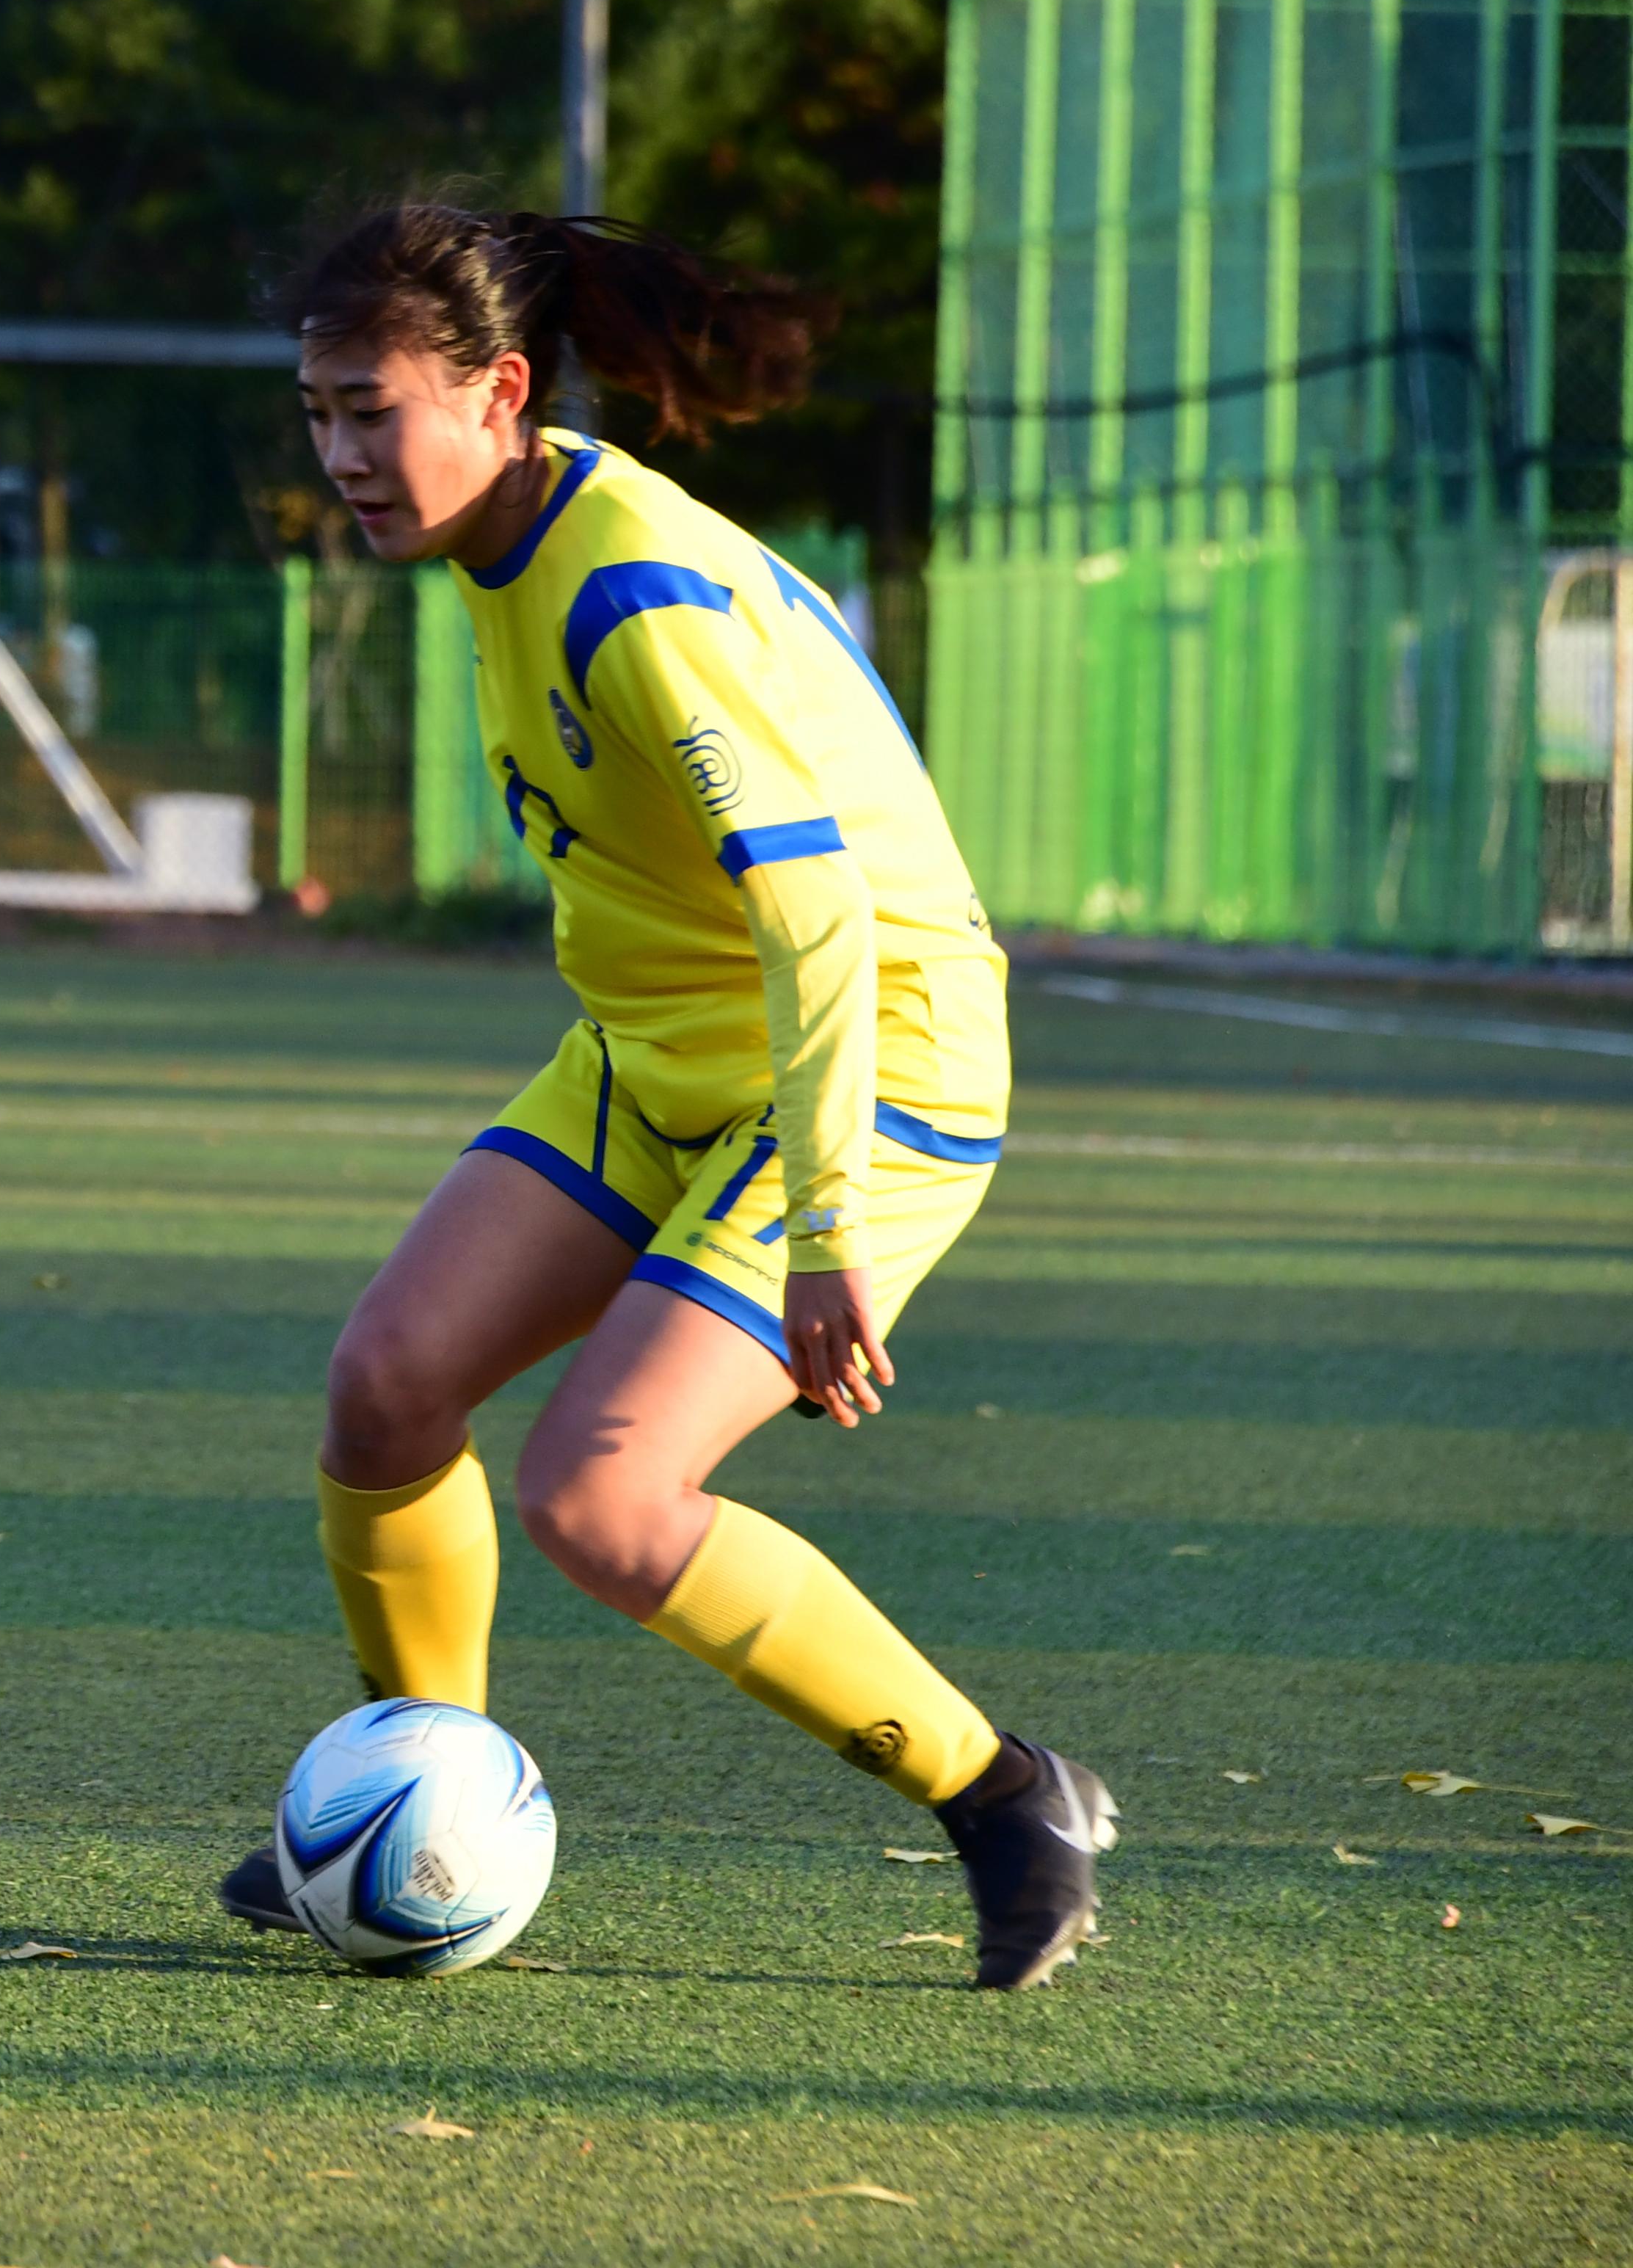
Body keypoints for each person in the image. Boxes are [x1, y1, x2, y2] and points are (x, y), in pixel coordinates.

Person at [219, 203, 1114, 1992]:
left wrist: (833, 1229)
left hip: (868, 1058)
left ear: (502, 391)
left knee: (605, 1496)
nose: (341, 456)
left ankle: (1011, 1796)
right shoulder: (501, 538)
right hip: (653, 1052)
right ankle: (430, 1792)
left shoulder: (626, 585)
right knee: (388, 1388)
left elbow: (821, 915)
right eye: (319, 411)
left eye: (371, 411)